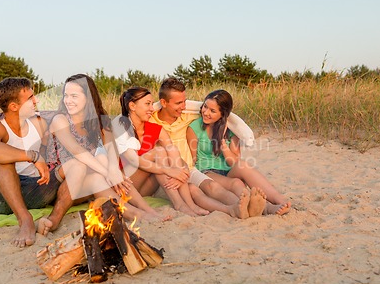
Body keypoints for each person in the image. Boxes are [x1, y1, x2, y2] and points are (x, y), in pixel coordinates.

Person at [39, 74, 161, 235]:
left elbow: (112, 150)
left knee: (109, 166)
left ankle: (146, 210)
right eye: (66, 95)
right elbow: (77, 151)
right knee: (100, 171)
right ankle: (135, 213)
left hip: (85, 186)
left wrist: (113, 170)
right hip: (60, 187)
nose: (68, 100)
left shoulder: (98, 120)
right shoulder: (60, 119)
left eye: (74, 96)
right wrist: (109, 172)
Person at [150, 78, 261, 218]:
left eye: (185, 101)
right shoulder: (150, 120)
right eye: (179, 103)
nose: (183, 106)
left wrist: (244, 134)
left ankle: (246, 206)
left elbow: (221, 113)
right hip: (168, 173)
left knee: (213, 186)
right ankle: (231, 209)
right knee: (194, 190)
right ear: (164, 103)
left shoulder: (188, 115)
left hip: (189, 169)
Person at [0, 77, 68, 248]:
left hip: (30, 192)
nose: (37, 100)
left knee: (73, 168)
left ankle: (53, 219)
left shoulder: (38, 123)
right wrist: (32, 156)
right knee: (2, 159)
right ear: (14, 106)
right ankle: (25, 220)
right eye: (30, 98)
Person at [113, 86, 228, 217]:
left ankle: (189, 205)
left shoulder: (155, 129)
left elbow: (174, 153)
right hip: (124, 186)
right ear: (132, 106)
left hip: (145, 189)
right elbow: (134, 160)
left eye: (152, 104)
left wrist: (181, 171)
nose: (152, 108)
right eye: (147, 104)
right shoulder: (120, 125)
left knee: (169, 155)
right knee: (159, 152)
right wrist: (169, 170)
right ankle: (179, 204)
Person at [187, 89, 291, 215]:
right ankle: (266, 208)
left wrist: (223, 143)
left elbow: (233, 162)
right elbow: (193, 159)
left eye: (212, 111)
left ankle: (279, 199)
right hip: (207, 171)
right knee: (236, 183)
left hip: (227, 170)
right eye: (205, 106)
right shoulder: (194, 127)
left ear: (222, 114)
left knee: (243, 165)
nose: (206, 112)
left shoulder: (232, 130)